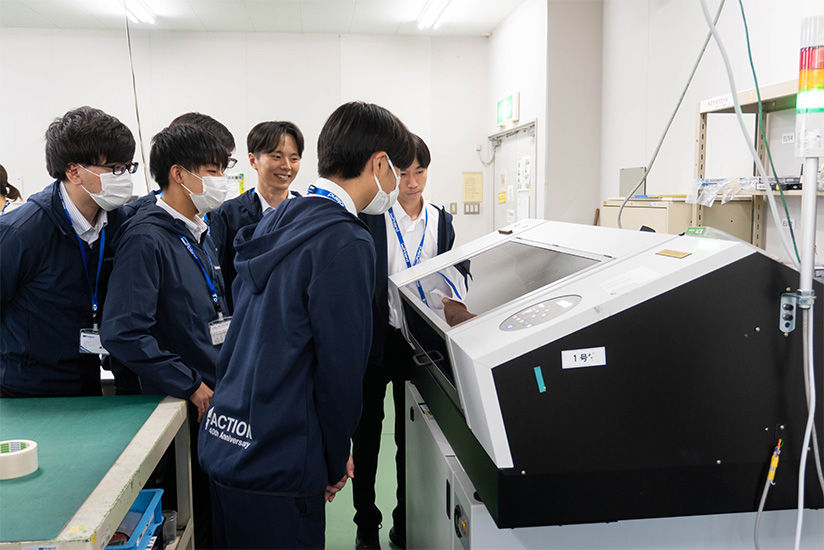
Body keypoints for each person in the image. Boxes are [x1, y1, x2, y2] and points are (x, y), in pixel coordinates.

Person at [198, 101, 415, 549]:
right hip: (281, 459)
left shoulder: (281, 217)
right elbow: (341, 370)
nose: (399, 185)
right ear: (378, 165)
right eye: (398, 171)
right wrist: (334, 461)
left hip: (229, 438)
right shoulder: (345, 239)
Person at [100, 123, 230, 549]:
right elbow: (123, 331)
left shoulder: (200, 229)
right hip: (175, 405)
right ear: (179, 174)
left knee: (212, 511)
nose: (221, 180)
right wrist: (190, 384)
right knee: (186, 517)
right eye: (213, 170)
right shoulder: (147, 238)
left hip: (211, 394)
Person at [353, 134, 467, 549]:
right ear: (387, 172)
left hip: (420, 342)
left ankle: (405, 521)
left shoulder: (442, 221)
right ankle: (367, 528)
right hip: (375, 341)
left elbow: (456, 272)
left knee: (412, 439)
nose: (413, 181)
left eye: (420, 172)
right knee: (366, 441)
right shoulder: (371, 217)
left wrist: (453, 301)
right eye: (404, 173)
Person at [0, 106, 136, 397]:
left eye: (126, 167)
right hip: (25, 394)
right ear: (74, 171)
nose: (123, 176)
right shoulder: (21, 232)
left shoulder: (119, 223)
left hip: (87, 384)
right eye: (114, 168)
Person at [209, 121, 304, 312]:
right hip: (247, 317)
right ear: (253, 161)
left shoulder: (306, 212)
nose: (286, 166)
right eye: (277, 157)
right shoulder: (229, 214)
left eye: (294, 159)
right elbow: (225, 276)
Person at [120, 112, 237, 218]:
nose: (220, 175)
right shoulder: (138, 220)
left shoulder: (211, 211)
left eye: (224, 164)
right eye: (213, 168)